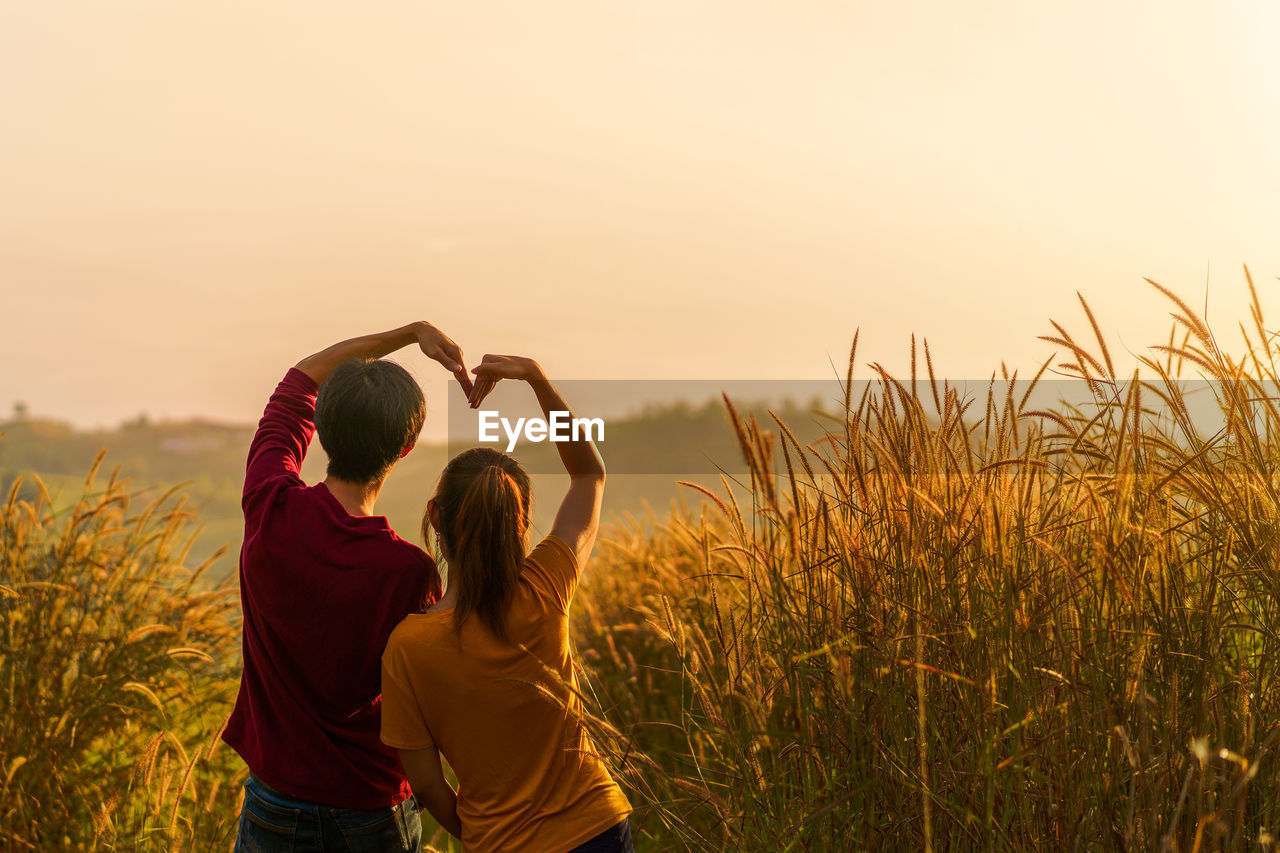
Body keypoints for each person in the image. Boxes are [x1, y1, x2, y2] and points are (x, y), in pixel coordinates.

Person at [224, 321, 470, 852]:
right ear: (405, 447)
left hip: (274, 802)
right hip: (371, 808)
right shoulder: (408, 572)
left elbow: (301, 377)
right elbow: (430, 686)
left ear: (320, 428)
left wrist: (410, 334)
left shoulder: (270, 507)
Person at [380, 354, 634, 852]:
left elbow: (429, 788)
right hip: (600, 828)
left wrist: (491, 836)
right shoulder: (546, 586)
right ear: (520, 527)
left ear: (435, 516)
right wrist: (538, 381)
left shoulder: (407, 647)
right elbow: (589, 475)